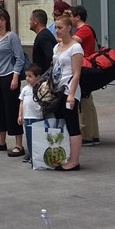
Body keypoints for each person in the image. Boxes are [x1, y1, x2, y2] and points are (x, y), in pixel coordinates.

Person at [0, 7, 26, 157]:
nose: (0, 22)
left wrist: (15, 77)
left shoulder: (11, 37)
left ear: (7, 21)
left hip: (8, 76)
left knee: (12, 109)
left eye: (2, 19)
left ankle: (18, 144)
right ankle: (1, 141)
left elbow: (19, 58)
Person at [51, 13, 83, 170]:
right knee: (60, 122)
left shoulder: (75, 47)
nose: (57, 30)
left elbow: (76, 73)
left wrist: (71, 94)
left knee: (72, 123)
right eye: (56, 27)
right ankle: (64, 154)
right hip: (57, 89)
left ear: (69, 28)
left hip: (69, 89)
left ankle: (74, 160)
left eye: (60, 27)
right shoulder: (57, 47)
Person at [71, 4, 100, 146]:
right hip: (84, 67)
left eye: (71, 15)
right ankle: (92, 134)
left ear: (77, 17)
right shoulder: (82, 30)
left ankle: (87, 135)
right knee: (86, 100)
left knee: (84, 101)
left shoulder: (84, 30)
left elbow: (70, 43)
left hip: (84, 67)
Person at [18, 64, 44, 165]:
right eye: (26, 76)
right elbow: (21, 102)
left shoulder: (41, 88)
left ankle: (37, 155)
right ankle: (31, 154)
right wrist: (20, 115)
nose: (27, 79)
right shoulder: (25, 89)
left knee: (37, 138)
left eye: (30, 76)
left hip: (37, 116)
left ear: (37, 77)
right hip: (27, 117)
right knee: (29, 137)